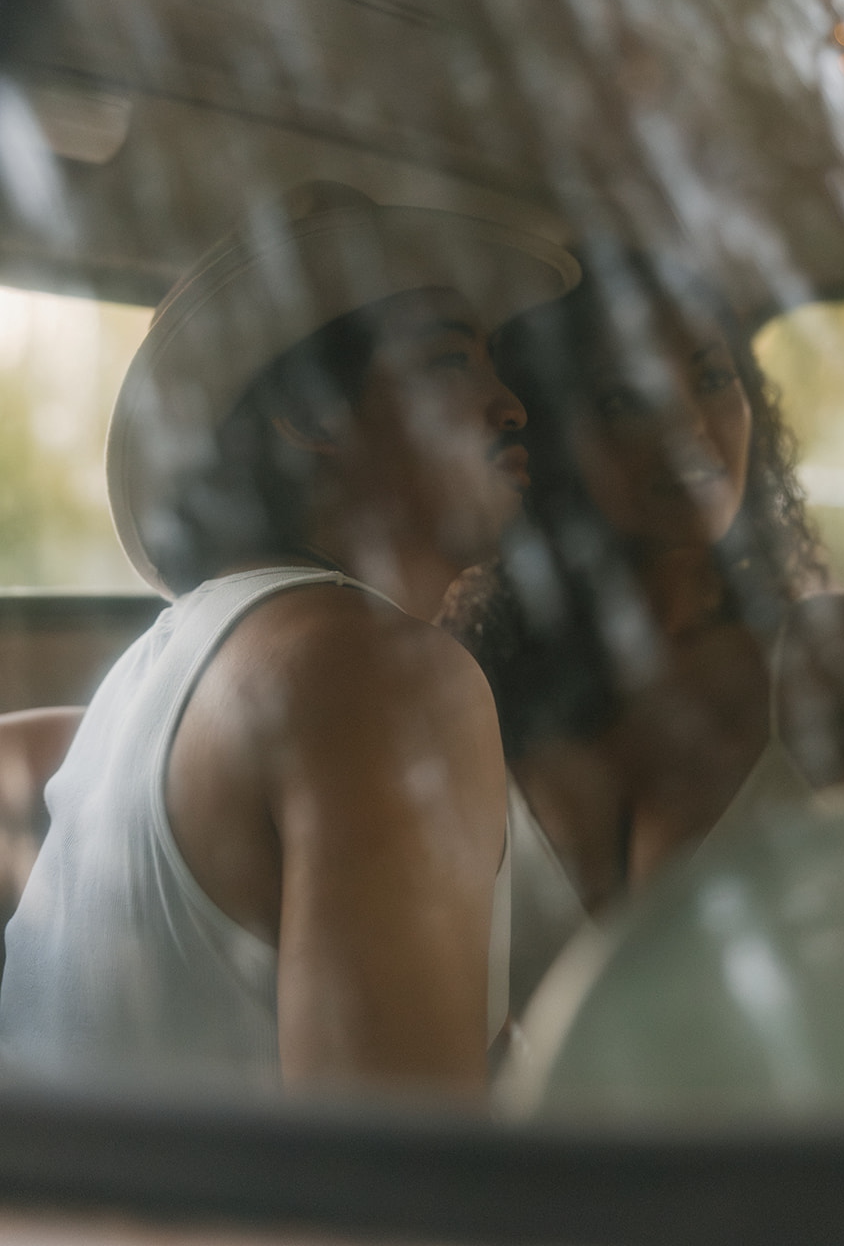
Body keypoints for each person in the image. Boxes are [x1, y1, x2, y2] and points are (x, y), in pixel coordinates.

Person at [0, 182, 579, 1093]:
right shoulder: (377, 676)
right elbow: (388, 1194)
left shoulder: (163, 665)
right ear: (311, 414)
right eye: (447, 362)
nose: (508, 404)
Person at [442, 248, 844, 914]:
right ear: (548, 436)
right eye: (624, 400)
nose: (689, 428)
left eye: (713, 379)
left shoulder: (832, 657)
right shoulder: (463, 683)